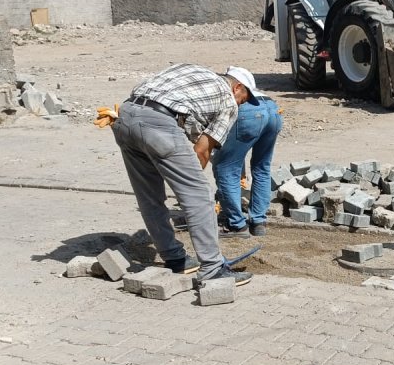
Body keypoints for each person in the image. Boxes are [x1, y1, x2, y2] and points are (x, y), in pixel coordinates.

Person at [111, 64, 259, 286]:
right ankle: (212, 269)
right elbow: (202, 150)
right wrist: (187, 187)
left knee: (149, 197)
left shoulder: (193, 70)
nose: (241, 104)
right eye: (244, 99)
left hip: (125, 114)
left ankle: (175, 258)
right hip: (159, 123)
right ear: (237, 87)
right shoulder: (228, 101)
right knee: (200, 196)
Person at [213, 81, 283, 238]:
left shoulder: (221, 90)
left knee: (226, 168)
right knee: (262, 166)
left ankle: (236, 225)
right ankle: (258, 222)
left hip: (249, 112)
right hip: (273, 109)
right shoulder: (238, 86)